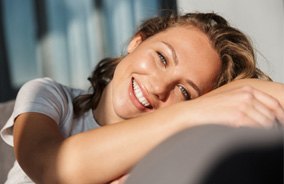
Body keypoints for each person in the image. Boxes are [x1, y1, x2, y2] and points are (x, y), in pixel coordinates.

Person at [1, 12, 284, 184]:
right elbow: (53, 166)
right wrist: (195, 110)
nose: (160, 87)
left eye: (184, 91)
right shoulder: (51, 96)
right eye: (161, 57)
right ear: (137, 41)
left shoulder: (163, 146)